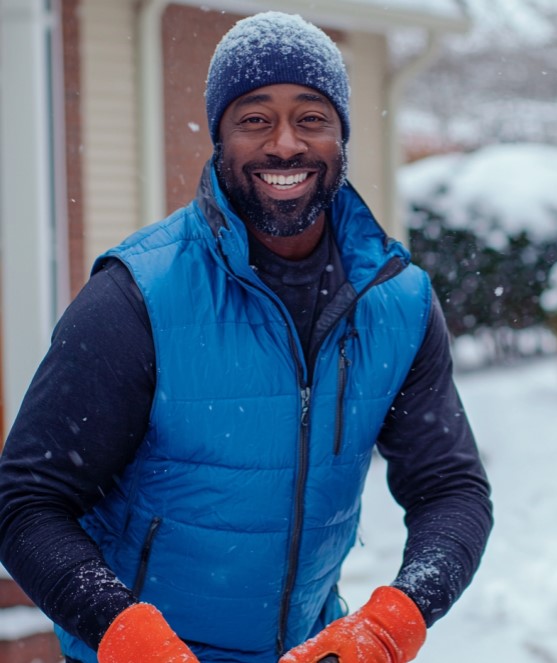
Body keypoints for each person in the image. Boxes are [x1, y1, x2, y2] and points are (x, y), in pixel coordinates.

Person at [0, 11, 493, 663]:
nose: (285, 144)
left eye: (311, 117)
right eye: (254, 118)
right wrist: (127, 635)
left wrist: (387, 624)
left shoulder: (396, 303)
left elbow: (451, 489)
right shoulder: (138, 296)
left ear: (341, 135)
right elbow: (27, 501)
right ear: (218, 137)